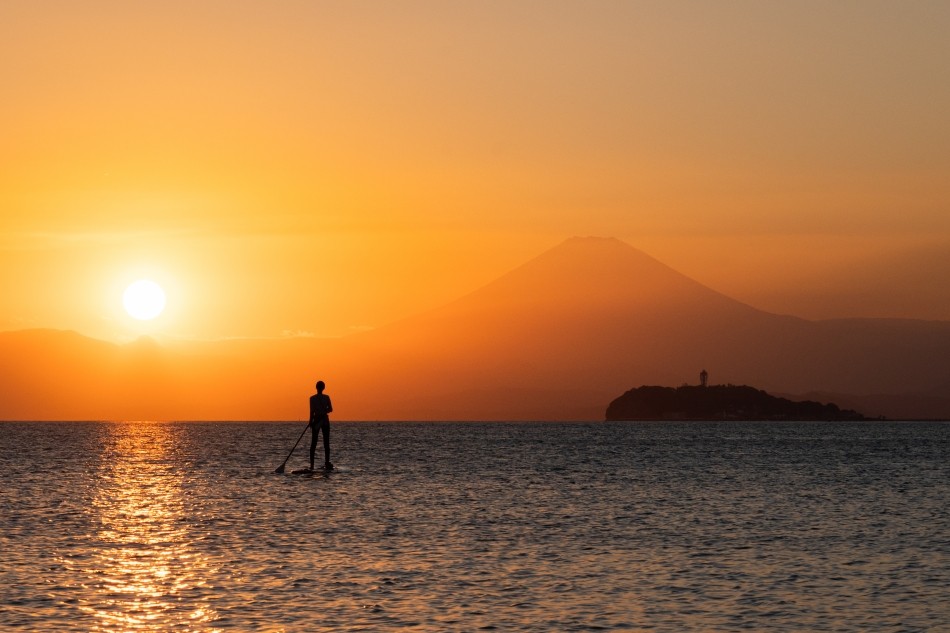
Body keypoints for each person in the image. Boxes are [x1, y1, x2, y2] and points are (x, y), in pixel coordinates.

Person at [309, 380, 333, 471]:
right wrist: (323, 412)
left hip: (317, 421)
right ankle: (326, 462)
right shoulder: (326, 397)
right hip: (324, 421)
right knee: (326, 443)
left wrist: (310, 421)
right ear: (323, 388)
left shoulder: (312, 398)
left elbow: (311, 412)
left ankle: (312, 465)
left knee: (313, 443)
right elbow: (330, 409)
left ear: (316, 387)